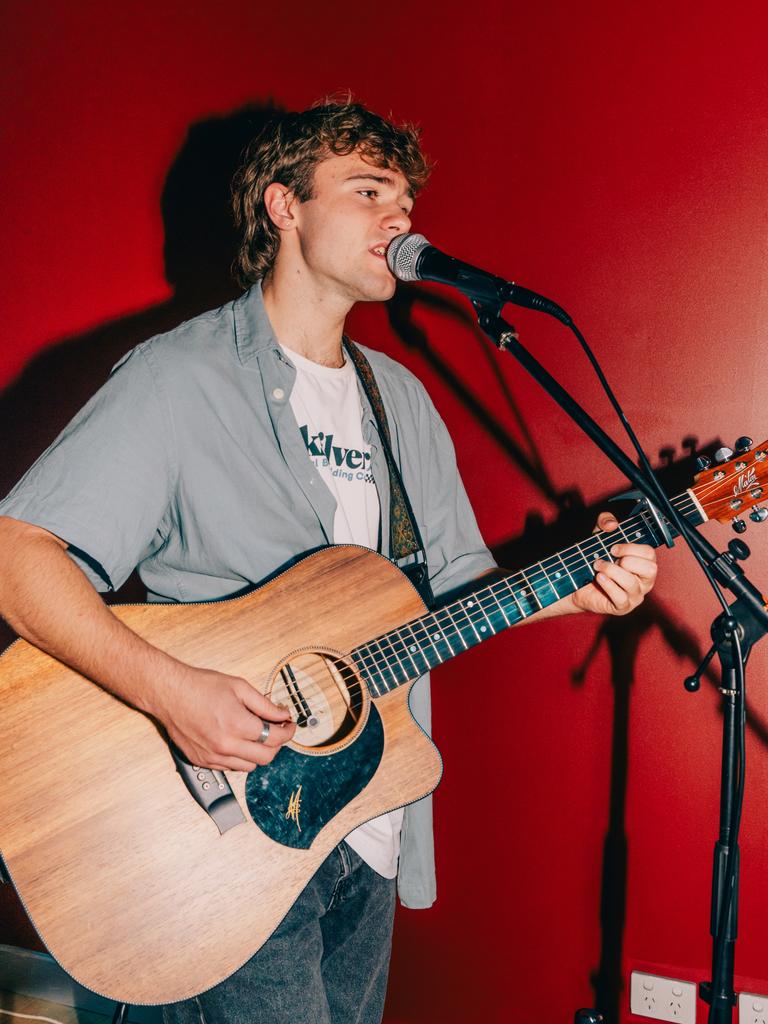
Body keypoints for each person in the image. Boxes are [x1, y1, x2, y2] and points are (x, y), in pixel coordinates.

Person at [0, 100, 657, 1024]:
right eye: (369, 191)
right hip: (219, 842)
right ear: (284, 207)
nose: (402, 219)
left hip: (369, 827)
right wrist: (171, 692)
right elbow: (17, 554)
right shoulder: (180, 378)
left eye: (407, 198)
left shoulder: (403, 401)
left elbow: (452, 593)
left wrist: (573, 589)